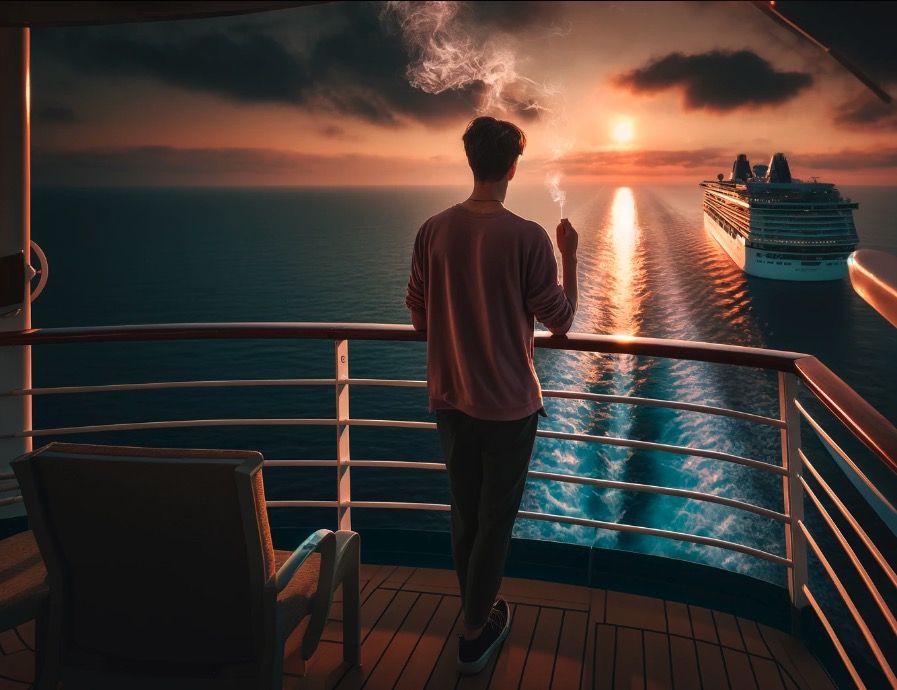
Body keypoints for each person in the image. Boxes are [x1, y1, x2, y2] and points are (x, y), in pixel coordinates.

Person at [405, 116, 579, 675]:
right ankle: (476, 632)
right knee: (496, 521)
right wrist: (570, 254)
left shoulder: (433, 229)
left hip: (451, 399)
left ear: (470, 161)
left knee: (466, 515)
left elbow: (418, 320)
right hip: (508, 407)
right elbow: (560, 322)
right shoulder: (529, 237)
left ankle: (475, 611)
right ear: (511, 166)